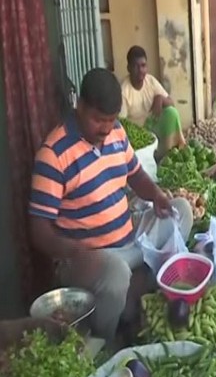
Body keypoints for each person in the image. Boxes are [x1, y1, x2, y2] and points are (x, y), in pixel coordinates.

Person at [29, 68, 193, 342]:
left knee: (181, 211)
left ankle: (141, 290)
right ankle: (105, 342)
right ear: (79, 106)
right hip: (89, 257)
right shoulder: (53, 155)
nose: (105, 128)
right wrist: (75, 250)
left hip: (130, 241)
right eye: (98, 119)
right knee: (116, 273)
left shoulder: (116, 132)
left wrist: (156, 195)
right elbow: (38, 230)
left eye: (111, 120)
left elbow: (136, 174)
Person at [120, 46, 185, 159]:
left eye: (143, 66)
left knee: (171, 112)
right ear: (129, 68)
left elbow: (171, 102)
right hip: (137, 135)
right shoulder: (124, 91)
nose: (140, 70)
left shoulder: (150, 81)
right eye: (136, 66)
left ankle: (169, 152)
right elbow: (122, 124)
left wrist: (160, 98)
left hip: (153, 125)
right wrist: (137, 135)